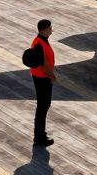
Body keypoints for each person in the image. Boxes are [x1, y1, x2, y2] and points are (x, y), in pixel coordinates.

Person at [29, 19, 56, 147]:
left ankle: (40, 135)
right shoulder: (39, 43)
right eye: (50, 28)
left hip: (41, 77)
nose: (51, 30)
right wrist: (51, 76)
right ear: (44, 29)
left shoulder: (40, 40)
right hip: (42, 78)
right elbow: (44, 63)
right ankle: (39, 137)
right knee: (42, 107)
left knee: (43, 106)